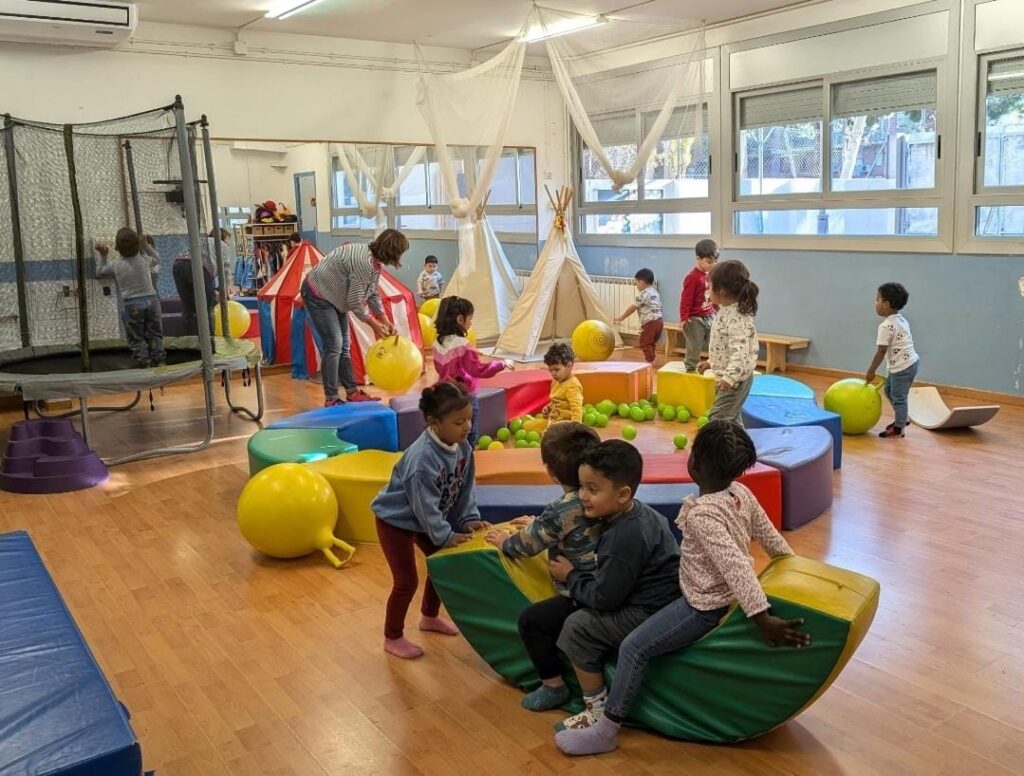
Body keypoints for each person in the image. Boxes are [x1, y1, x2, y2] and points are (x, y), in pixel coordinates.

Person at [555, 421, 811, 755]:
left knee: (634, 648)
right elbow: (770, 538)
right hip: (707, 592)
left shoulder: (703, 515)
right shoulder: (739, 493)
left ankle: (606, 730)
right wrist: (794, 566)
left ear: (695, 464)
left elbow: (735, 566)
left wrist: (762, 618)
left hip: (702, 606)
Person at [548, 440, 681, 732]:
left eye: (592, 490)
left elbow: (605, 598)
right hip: (664, 601)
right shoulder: (640, 513)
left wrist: (571, 576)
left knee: (577, 627)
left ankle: (595, 710)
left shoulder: (624, 536)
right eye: (581, 487)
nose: (583, 496)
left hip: (648, 611)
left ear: (622, 494)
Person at [483, 422, 600, 710]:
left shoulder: (561, 508)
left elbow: (527, 545)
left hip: (582, 593)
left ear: (549, 470)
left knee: (532, 621)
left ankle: (553, 686)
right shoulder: (601, 496)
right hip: (608, 581)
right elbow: (569, 527)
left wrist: (505, 541)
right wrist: (539, 523)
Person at [370, 381, 487, 660]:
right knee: (406, 582)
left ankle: (429, 617)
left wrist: (469, 517)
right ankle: (392, 637)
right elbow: (424, 507)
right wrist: (445, 536)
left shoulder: (462, 447)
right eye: (459, 422)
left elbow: (465, 486)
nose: (467, 426)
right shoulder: (422, 460)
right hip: (395, 520)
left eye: (469, 419)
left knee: (442, 564)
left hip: (425, 518)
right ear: (434, 423)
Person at [300, 229, 405, 406]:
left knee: (344, 346)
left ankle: (352, 392)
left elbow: (372, 292)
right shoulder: (364, 262)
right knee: (334, 345)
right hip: (317, 294)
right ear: (391, 251)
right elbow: (355, 301)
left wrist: (384, 320)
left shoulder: (374, 262)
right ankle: (331, 398)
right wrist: (374, 324)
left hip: (335, 296)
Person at [432, 296, 514, 445]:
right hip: (465, 396)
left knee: (451, 432)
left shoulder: (438, 343)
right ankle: (468, 456)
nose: (471, 323)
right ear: (460, 319)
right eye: (470, 319)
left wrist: (471, 354)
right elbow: (479, 370)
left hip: (445, 395)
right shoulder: (462, 345)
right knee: (469, 432)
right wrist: (502, 364)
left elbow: (441, 367)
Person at [698, 260, 759, 426]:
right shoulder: (727, 310)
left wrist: (730, 378)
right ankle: (739, 442)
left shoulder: (736, 317)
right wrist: (712, 362)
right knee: (731, 419)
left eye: (710, 287)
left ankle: (720, 443)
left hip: (735, 380)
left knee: (718, 419)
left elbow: (740, 351)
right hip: (734, 376)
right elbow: (725, 346)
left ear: (722, 291)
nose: (708, 291)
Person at [95, 228, 165, 368]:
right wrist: (146, 245)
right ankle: (160, 361)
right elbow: (157, 259)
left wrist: (103, 255)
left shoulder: (116, 265)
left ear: (117, 248)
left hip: (132, 304)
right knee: (155, 334)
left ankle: (144, 364)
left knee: (136, 337)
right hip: (151, 301)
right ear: (138, 244)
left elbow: (100, 272)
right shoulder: (144, 260)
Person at [865, 282, 919, 438]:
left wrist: (871, 371)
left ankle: (899, 429)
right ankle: (902, 418)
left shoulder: (886, 326)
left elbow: (881, 351)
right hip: (908, 364)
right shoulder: (901, 319)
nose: (875, 302)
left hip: (903, 367)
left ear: (886, 304)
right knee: (889, 390)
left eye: (877, 299)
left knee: (899, 397)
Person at [679, 239, 718, 372]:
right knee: (694, 344)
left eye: (715, 261)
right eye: (709, 262)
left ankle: (714, 364)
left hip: (709, 314)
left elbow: (712, 295)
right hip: (694, 318)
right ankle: (691, 368)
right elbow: (686, 299)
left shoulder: (711, 275)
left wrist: (716, 310)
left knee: (716, 340)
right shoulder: (692, 277)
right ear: (698, 259)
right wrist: (684, 317)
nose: (713, 264)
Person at [172, 229, 217, 343]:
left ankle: (188, 341)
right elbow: (225, 269)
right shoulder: (222, 245)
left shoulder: (201, 240)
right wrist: (223, 290)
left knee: (188, 309)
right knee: (206, 309)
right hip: (200, 267)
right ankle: (208, 342)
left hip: (179, 264)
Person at [614, 268, 663, 364]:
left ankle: (650, 360)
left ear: (641, 282)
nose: (636, 285)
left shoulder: (643, 294)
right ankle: (652, 358)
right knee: (651, 342)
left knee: (644, 343)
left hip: (650, 322)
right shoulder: (655, 292)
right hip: (659, 321)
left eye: (636, 283)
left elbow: (633, 308)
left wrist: (621, 317)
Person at [543, 342, 584, 424]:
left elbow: (576, 410)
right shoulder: (556, 381)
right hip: (554, 418)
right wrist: (548, 407)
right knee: (528, 425)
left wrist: (575, 428)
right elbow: (557, 401)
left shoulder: (573, 386)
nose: (553, 373)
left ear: (569, 366)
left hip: (565, 424)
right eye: (551, 370)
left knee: (545, 430)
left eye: (556, 369)